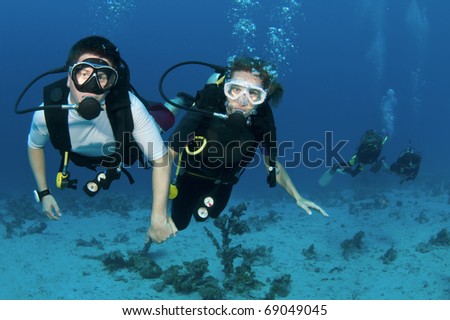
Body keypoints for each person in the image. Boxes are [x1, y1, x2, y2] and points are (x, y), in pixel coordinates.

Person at [26, 35, 176, 243]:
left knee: (164, 119)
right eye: (83, 73)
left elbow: (161, 158)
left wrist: (158, 218)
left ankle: (178, 102)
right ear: (69, 77)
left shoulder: (131, 108)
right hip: (79, 155)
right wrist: (44, 193)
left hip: (124, 147)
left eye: (102, 77)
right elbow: (34, 146)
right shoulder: (46, 114)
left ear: (111, 83)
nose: (91, 86)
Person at [166, 56, 329, 232]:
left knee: (208, 215)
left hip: (224, 181)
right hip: (190, 174)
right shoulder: (208, 104)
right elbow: (167, 156)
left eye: (253, 94)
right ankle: (183, 99)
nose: (242, 102)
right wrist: (157, 215)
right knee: (180, 224)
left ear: (262, 97)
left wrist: (297, 197)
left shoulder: (262, 120)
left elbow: (272, 164)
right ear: (225, 88)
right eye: (235, 89)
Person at [319, 129, 388, 186]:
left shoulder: (368, 141)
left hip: (357, 157)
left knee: (348, 165)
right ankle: (343, 169)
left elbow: (361, 149)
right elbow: (383, 142)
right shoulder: (377, 144)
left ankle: (338, 166)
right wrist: (387, 135)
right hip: (363, 162)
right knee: (354, 173)